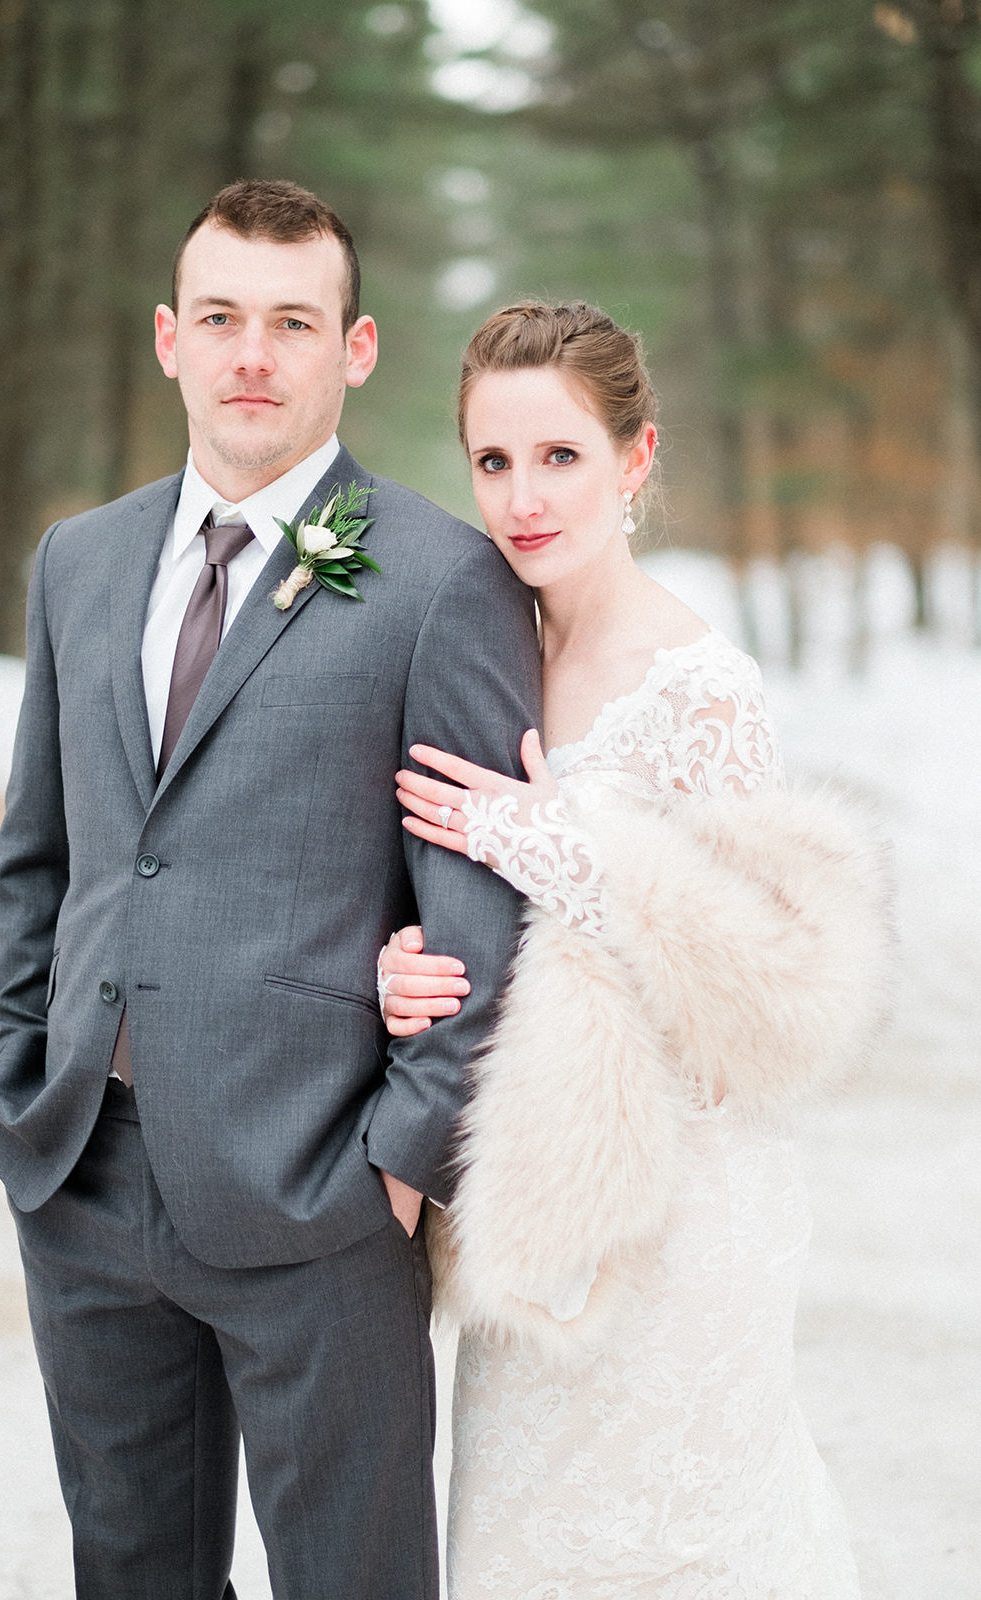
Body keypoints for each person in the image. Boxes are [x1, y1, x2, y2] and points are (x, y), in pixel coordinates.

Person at [0, 180, 542, 1599]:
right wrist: (16, 1079)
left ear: (353, 350)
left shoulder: (438, 579)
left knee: (351, 1578)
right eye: (222, 318)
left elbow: (478, 911)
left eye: (293, 323)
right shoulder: (80, 562)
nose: (252, 355)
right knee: (131, 1573)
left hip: (319, 1192)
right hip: (85, 1177)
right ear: (170, 338)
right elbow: (39, 858)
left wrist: (398, 1165)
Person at [378, 301, 890, 1597]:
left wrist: (555, 845)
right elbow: (440, 891)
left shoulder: (701, 687)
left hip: (681, 1225)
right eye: (493, 461)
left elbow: (763, 1006)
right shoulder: (480, 646)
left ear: (637, 459)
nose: (523, 497)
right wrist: (404, 961)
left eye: (561, 457)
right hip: (533, 1216)